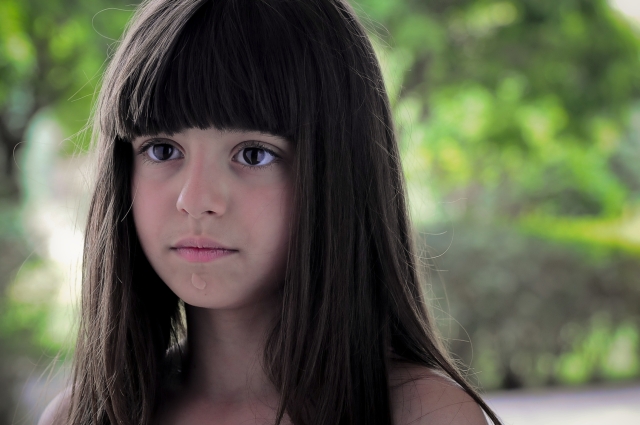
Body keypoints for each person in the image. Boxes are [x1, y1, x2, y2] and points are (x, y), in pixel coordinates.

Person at [39, 0, 502, 424]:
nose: (195, 199)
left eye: (253, 154)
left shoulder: (422, 415)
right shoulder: (79, 417)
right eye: (162, 150)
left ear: (339, 177)